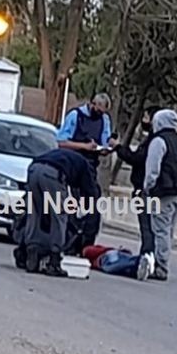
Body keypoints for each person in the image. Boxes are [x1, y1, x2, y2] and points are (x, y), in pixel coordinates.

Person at [23, 149, 99, 277]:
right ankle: (54, 260)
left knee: (35, 212)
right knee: (60, 216)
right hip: (53, 174)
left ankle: (32, 254)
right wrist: (87, 212)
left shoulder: (68, 158)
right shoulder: (85, 167)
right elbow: (91, 192)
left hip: (33, 169)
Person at [56, 93, 113, 247]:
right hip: (73, 165)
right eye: (98, 110)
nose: (100, 114)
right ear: (92, 104)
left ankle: (86, 239)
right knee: (73, 204)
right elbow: (61, 142)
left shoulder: (104, 120)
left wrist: (107, 147)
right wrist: (84, 146)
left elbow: (104, 141)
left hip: (91, 165)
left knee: (92, 203)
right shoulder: (76, 116)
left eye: (103, 112)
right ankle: (69, 239)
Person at [110, 106, 163, 257]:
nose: (143, 121)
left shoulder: (154, 142)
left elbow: (136, 159)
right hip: (149, 189)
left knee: (146, 225)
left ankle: (147, 254)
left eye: (146, 117)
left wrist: (118, 147)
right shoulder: (155, 140)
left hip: (144, 188)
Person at [144, 109, 177, 281]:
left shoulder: (158, 141)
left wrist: (148, 186)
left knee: (160, 229)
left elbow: (153, 167)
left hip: (164, 191)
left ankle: (160, 266)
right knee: (170, 230)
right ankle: (163, 260)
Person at [82, 245, 155, 281]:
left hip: (106, 257)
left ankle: (139, 260)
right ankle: (141, 267)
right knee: (122, 269)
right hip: (110, 255)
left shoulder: (86, 250)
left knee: (108, 268)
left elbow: (103, 250)